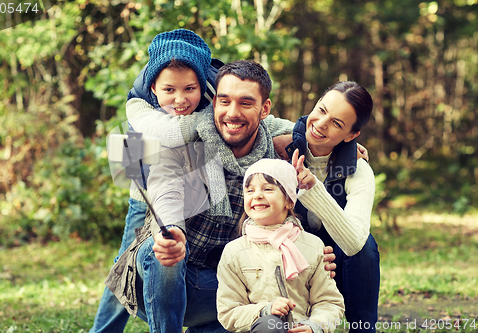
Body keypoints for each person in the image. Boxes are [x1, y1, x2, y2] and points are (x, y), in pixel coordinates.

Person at [105, 60, 340, 332]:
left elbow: (289, 212)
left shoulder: (274, 159)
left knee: (265, 299)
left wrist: (312, 254)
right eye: (225, 101)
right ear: (214, 102)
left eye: (245, 103)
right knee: (163, 252)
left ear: (264, 109)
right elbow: (164, 187)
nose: (232, 113)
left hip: (222, 290)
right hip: (161, 280)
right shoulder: (183, 141)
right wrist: (169, 230)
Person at [90, 28, 219, 333]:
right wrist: (213, 118)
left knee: (177, 257)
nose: (179, 99)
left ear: (202, 83)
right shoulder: (137, 105)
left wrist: (301, 132)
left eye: (190, 89)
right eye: (169, 90)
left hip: (191, 192)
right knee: (124, 264)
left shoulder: (215, 95)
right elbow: (171, 133)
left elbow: (258, 118)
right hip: (144, 194)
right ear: (153, 87)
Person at [285, 81, 380, 332]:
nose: (321, 124)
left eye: (337, 123)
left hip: (336, 262)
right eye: (322, 109)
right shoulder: (280, 150)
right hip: (290, 256)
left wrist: (313, 189)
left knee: (366, 246)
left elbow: (354, 243)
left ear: (351, 136)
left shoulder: (359, 170)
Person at [216, 157, 345, 333]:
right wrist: (264, 310)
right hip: (260, 328)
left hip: (301, 327)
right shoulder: (234, 252)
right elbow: (228, 311)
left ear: (289, 201)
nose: (257, 195)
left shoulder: (312, 246)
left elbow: (329, 302)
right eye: (250, 190)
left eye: (268, 189)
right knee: (271, 325)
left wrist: (315, 326)